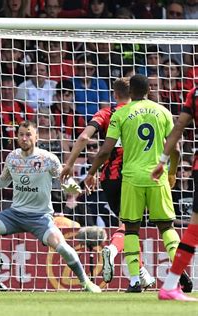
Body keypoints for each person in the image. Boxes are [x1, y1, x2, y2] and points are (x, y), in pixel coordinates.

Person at [0, 120, 101, 293]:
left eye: (28, 134)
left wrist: (70, 186)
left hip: (40, 217)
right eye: (21, 134)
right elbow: (2, 181)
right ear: (16, 137)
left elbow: (64, 179)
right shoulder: (12, 157)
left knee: (63, 248)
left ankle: (86, 282)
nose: (24, 138)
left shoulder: (48, 159)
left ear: (36, 137)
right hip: (15, 214)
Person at [84, 74, 182, 293]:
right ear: (148, 90)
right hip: (157, 176)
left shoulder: (120, 113)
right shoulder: (163, 111)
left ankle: (136, 280)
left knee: (130, 229)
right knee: (166, 226)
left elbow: (105, 150)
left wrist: (91, 172)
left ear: (128, 93)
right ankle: (177, 271)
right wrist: (172, 172)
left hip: (129, 178)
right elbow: (175, 149)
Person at [60, 77, 156, 287]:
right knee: (129, 227)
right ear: (134, 93)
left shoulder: (106, 113)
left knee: (129, 225)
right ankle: (112, 251)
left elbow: (85, 138)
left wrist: (69, 164)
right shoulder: (142, 113)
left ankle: (141, 274)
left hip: (109, 179)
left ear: (114, 94)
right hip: (134, 177)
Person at [151, 84, 198, 301]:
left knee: (194, 228)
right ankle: (169, 286)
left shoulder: (195, 92)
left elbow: (179, 126)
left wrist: (163, 160)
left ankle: (170, 285)